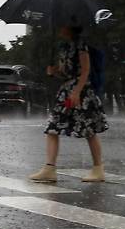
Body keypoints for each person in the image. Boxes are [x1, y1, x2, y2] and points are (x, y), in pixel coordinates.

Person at [29, 26, 109, 183]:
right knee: (52, 128)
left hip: (82, 92)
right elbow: (66, 72)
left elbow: (85, 70)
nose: (60, 27)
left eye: (63, 25)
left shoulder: (81, 45)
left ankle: (98, 169)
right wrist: (55, 71)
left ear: (70, 28)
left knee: (88, 130)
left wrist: (77, 92)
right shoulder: (64, 46)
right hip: (66, 91)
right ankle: (49, 168)